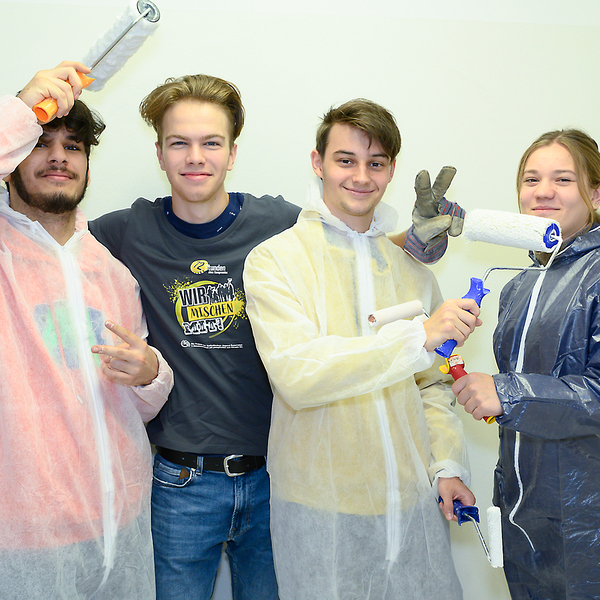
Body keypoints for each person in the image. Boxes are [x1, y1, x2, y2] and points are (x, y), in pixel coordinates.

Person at [242, 98, 481, 600]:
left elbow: (433, 385)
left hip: (412, 505)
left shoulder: (410, 268)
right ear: (317, 162)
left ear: (391, 169)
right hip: (322, 511)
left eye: (375, 163)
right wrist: (416, 337)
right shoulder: (276, 261)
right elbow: (299, 373)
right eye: (345, 160)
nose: (360, 176)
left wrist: (446, 466)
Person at [0, 61, 173, 599]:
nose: (58, 156)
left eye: (72, 147)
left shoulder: (112, 272)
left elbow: (137, 404)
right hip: (22, 533)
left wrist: (151, 373)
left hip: (117, 523)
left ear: (89, 171)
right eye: (39, 143)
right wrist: (23, 110)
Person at [452, 129, 600, 600]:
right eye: (531, 179)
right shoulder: (519, 285)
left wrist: (506, 392)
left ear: (596, 194)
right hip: (522, 515)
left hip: (588, 521)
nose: (542, 192)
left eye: (563, 179)